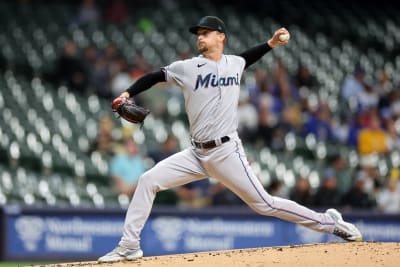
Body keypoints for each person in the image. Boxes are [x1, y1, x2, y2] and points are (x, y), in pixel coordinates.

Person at [98, 16, 362, 262]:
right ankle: (129, 245)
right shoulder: (187, 68)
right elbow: (155, 76)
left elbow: (249, 57)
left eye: (206, 33)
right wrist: (127, 93)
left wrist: (271, 44)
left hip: (226, 152)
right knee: (148, 180)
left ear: (221, 37)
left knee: (265, 205)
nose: (200, 38)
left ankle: (329, 222)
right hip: (196, 154)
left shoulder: (235, 63)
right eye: (198, 34)